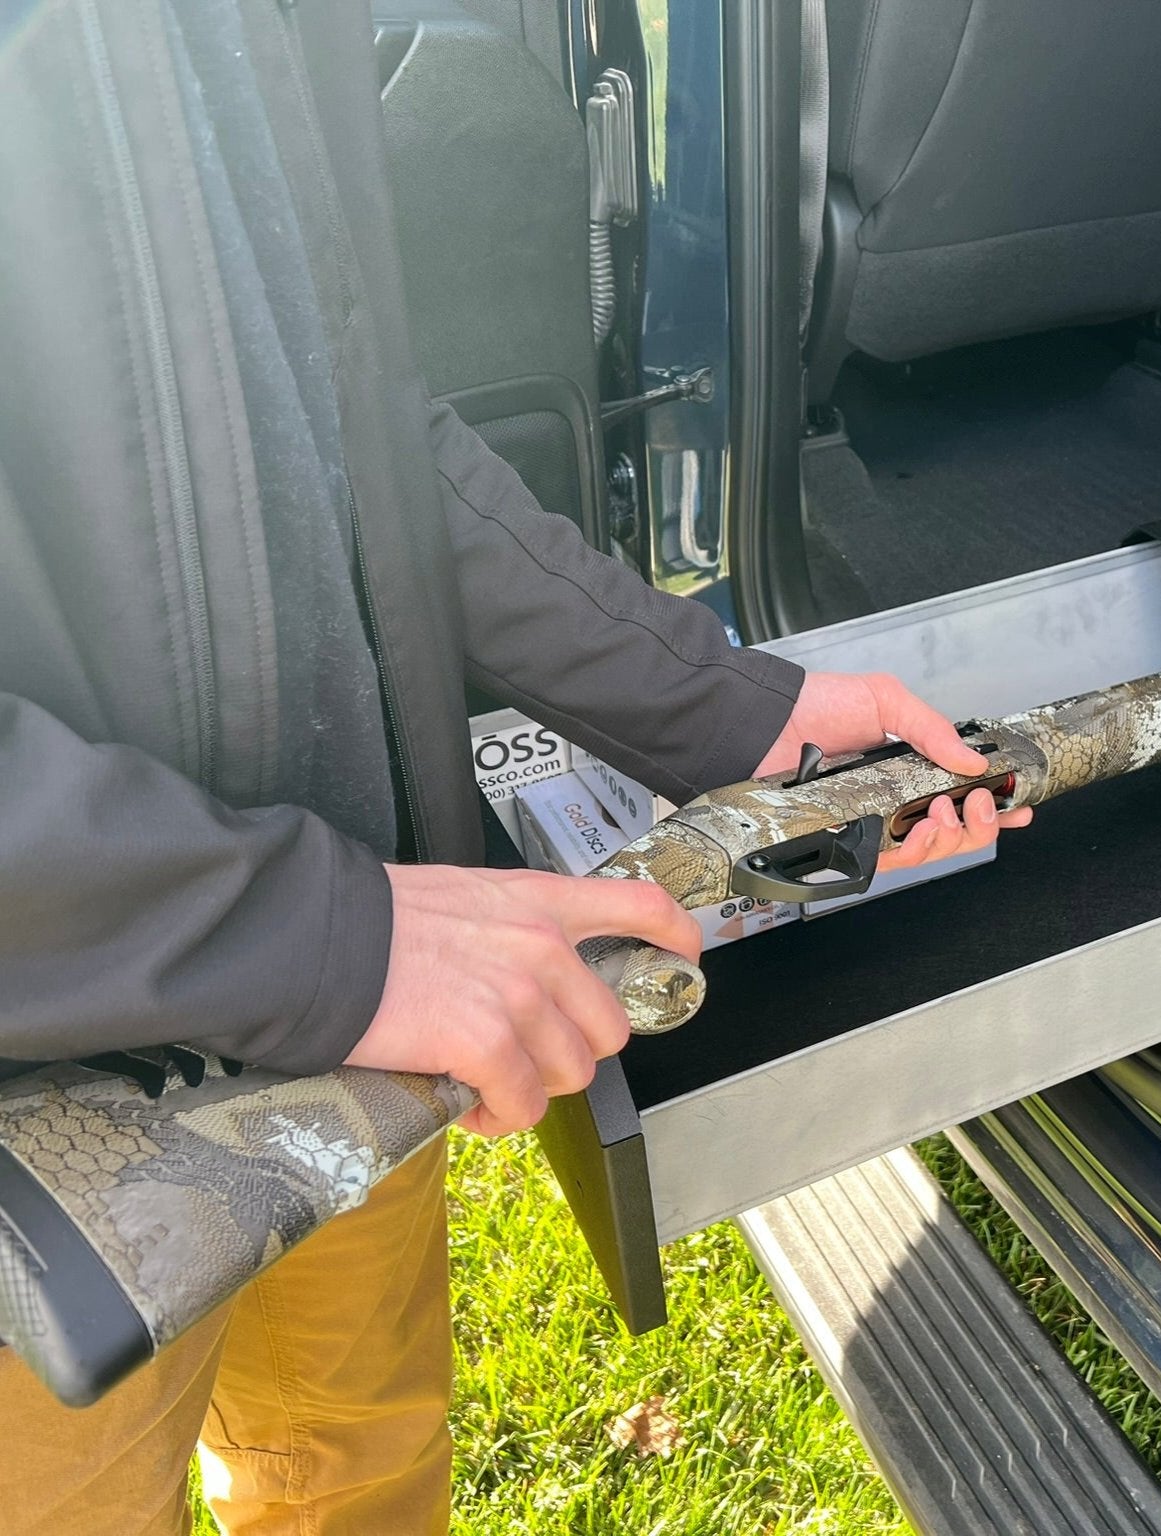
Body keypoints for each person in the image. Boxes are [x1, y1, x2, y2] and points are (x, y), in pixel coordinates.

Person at [0, 1, 1030, 1531]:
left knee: (362, 1456)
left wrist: (727, 708)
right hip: (56, 1116)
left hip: (355, 1005)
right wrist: (308, 937)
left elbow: (354, 427)